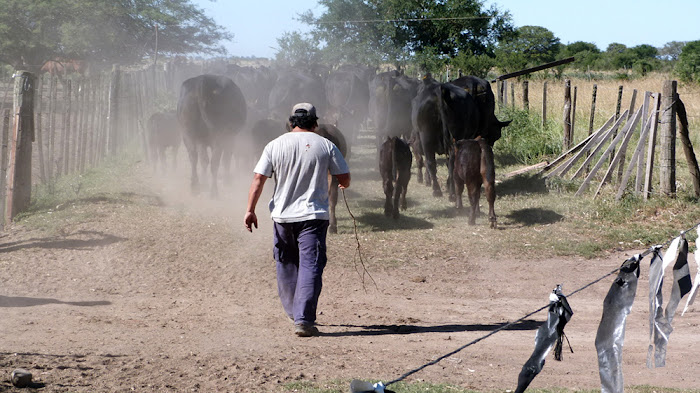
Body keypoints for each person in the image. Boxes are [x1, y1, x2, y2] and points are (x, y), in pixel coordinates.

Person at [244, 103, 351, 337]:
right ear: (315, 123)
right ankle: (303, 318)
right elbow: (344, 177)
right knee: (310, 265)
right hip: (313, 216)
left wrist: (250, 209)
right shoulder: (326, 145)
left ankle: (294, 311)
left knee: (286, 262)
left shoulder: (274, 145)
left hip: (282, 216)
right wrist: (342, 182)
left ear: (291, 122)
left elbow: (258, 179)